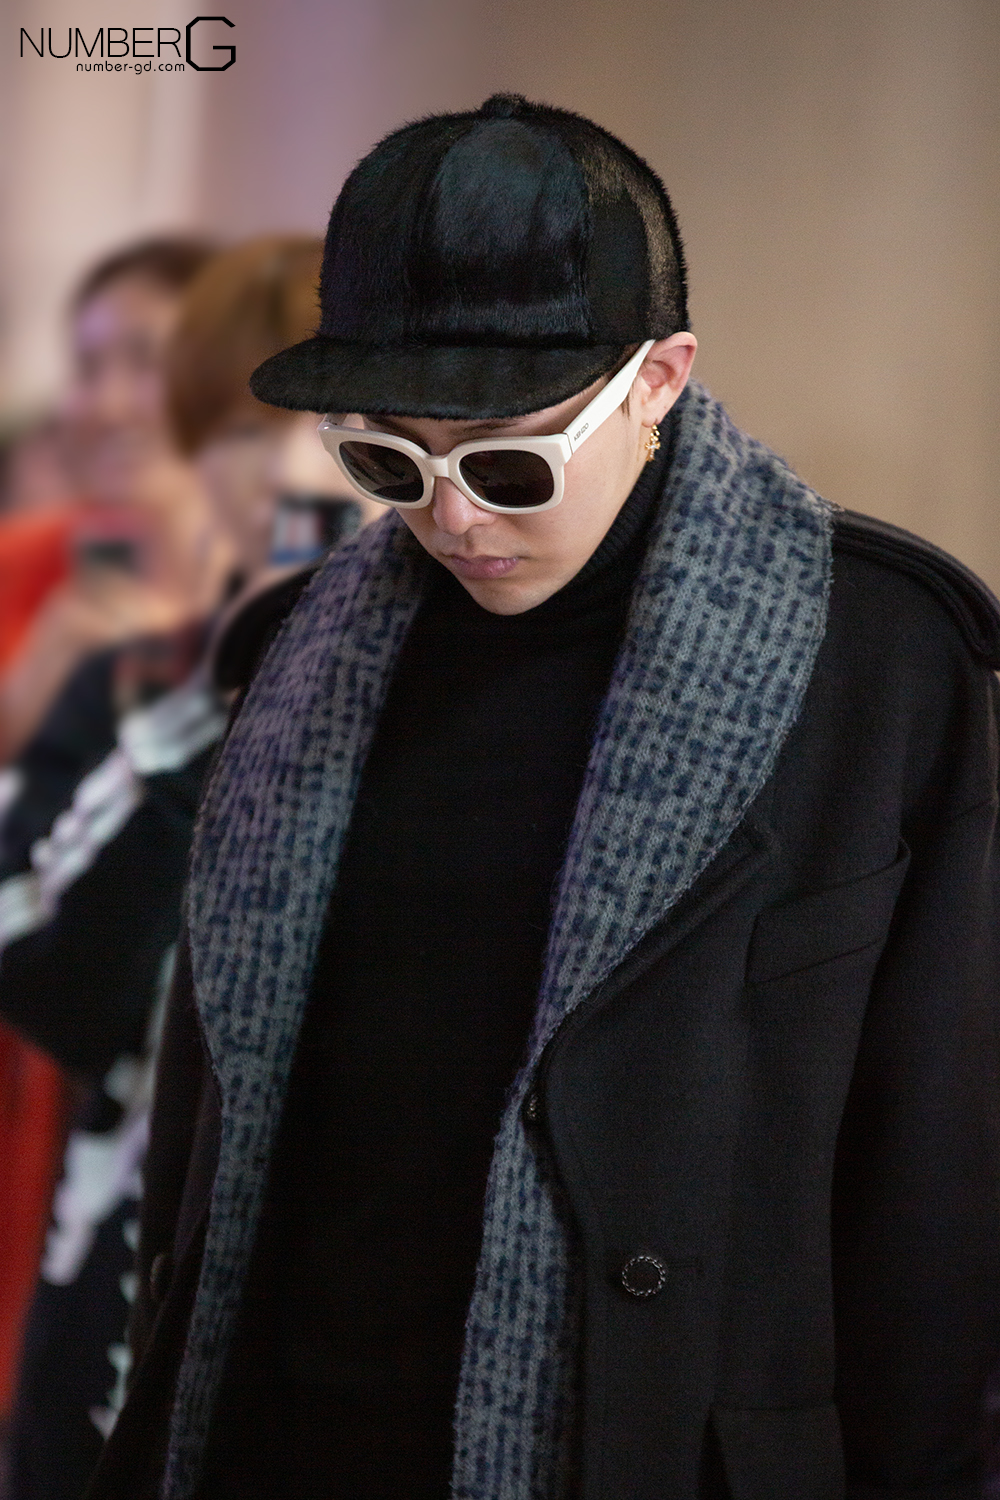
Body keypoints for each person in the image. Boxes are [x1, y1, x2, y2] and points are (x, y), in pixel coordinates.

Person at [89, 94, 1000, 1500]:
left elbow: (933, 1175)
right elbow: (207, 1139)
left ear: (660, 378)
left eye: (509, 462)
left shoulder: (877, 665)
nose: (453, 517)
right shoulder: (294, 656)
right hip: (284, 1434)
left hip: (650, 1447)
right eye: (390, 460)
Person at [0, 235, 370, 1500]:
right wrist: (217, 694)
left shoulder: (482, 710)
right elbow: (49, 975)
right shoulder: (147, 676)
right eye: (243, 433)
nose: (291, 474)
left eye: (336, 433)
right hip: (117, 1303)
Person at [0, 237, 227, 765]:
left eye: (146, 360)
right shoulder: (17, 561)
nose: (108, 404)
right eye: (87, 369)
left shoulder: (291, 589)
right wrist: (22, 706)